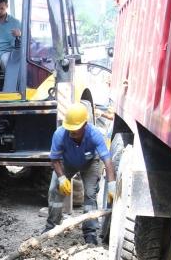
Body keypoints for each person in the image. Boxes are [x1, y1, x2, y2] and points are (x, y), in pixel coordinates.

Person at [45, 103, 117, 245]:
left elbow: (107, 161)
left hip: (90, 163)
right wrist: (61, 177)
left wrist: (112, 185)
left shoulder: (94, 134)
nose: (71, 132)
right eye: (69, 129)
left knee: (90, 194)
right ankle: (51, 226)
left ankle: (90, 232)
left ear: (85, 125)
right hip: (67, 163)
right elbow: (54, 159)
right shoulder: (60, 134)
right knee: (54, 190)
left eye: (75, 129)